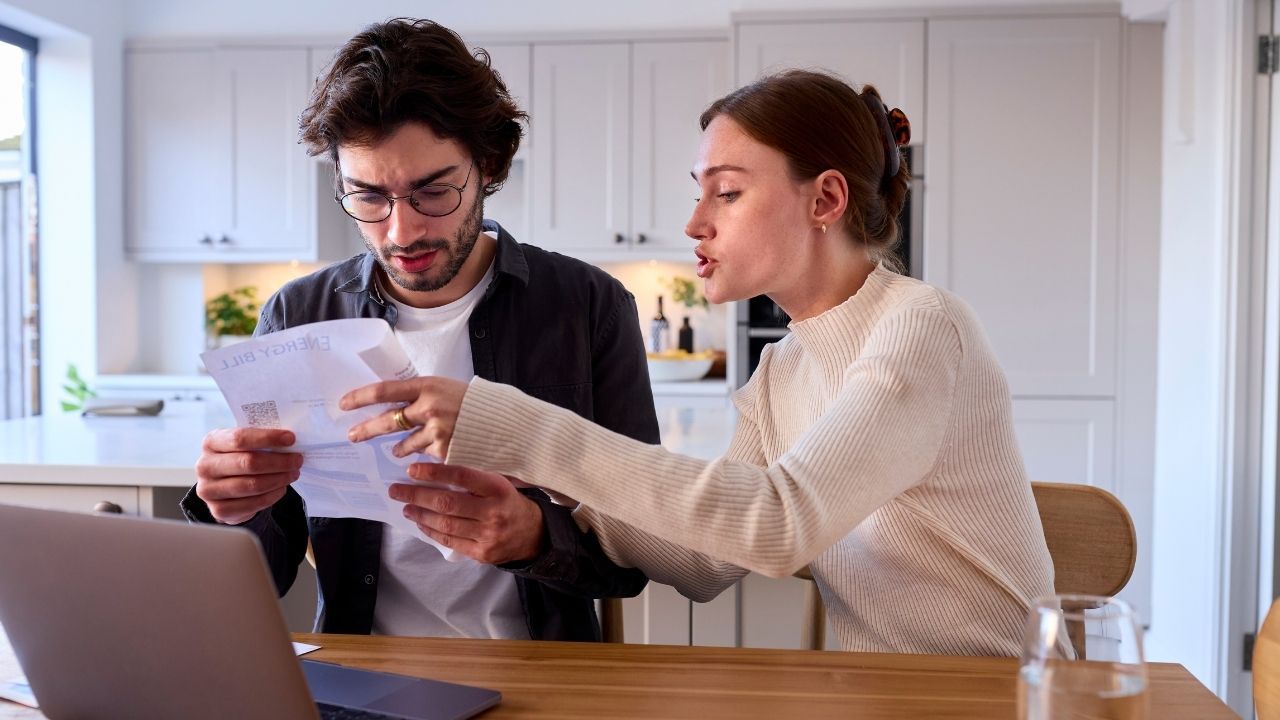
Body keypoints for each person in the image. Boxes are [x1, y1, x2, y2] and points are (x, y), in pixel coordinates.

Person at [340, 69, 1058, 656]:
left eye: (728, 191)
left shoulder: (921, 327)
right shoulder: (784, 369)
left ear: (826, 199)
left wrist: (519, 428)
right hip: (881, 699)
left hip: (1001, 698)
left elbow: (778, 527)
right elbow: (703, 564)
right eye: (698, 190)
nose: (694, 222)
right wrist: (545, 491)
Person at [182, 18, 655, 642]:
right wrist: (231, 507)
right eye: (369, 197)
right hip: (365, 666)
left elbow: (637, 556)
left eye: (433, 192)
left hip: (547, 671)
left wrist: (535, 537)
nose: (401, 232)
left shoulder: (589, 306)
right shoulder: (299, 314)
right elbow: (262, 577)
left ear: (488, 165)